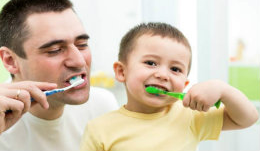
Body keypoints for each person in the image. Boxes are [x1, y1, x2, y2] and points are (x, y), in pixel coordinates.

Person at [0, 0, 118, 151]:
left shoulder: (102, 106)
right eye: (55, 50)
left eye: (82, 44)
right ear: (10, 60)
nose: (79, 61)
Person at [80, 22, 259, 151]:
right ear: (121, 72)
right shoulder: (99, 129)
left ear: (185, 85)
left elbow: (248, 118)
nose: (163, 75)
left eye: (175, 69)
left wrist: (224, 90)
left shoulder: (190, 116)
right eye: (151, 63)